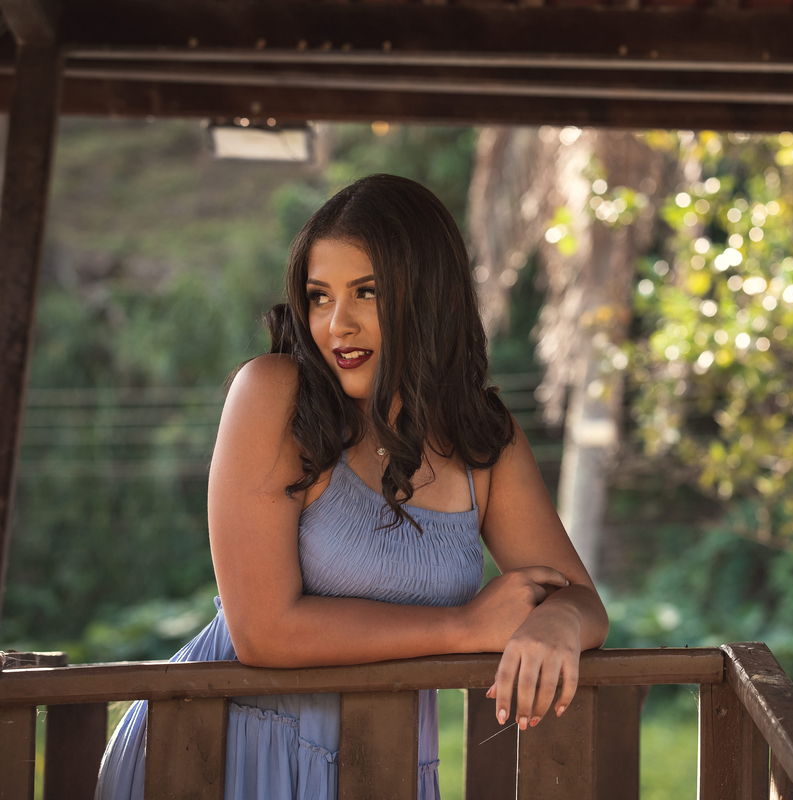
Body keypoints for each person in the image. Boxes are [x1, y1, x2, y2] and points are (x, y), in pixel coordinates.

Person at [95, 174, 609, 800]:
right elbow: (263, 631)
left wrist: (558, 624)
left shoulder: (483, 441)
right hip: (222, 748)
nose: (336, 324)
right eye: (319, 296)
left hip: (387, 766)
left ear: (426, 297)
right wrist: (463, 627)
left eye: (366, 292)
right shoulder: (274, 397)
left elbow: (581, 600)